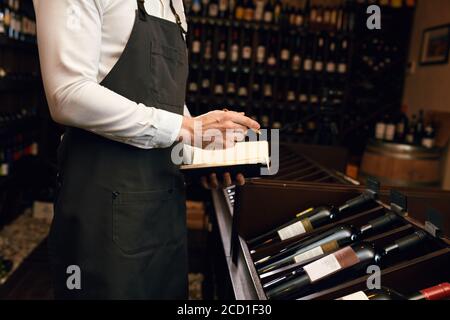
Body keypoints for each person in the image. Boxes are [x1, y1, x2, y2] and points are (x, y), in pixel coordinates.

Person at [33, 0, 260, 299]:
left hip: (164, 210)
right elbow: (67, 94)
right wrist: (187, 128)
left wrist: (199, 156)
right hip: (102, 208)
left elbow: (164, 102)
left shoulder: (175, 4)